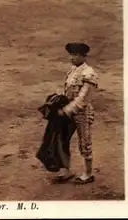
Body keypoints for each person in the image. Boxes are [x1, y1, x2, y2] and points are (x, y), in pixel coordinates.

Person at [56, 42, 98, 184]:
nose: (71, 58)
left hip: (82, 113)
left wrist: (67, 110)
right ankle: (65, 170)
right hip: (69, 111)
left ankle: (88, 173)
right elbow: (66, 91)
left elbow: (83, 98)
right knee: (62, 139)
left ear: (83, 56)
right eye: (71, 54)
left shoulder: (89, 73)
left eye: (75, 55)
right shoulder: (73, 70)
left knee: (84, 142)